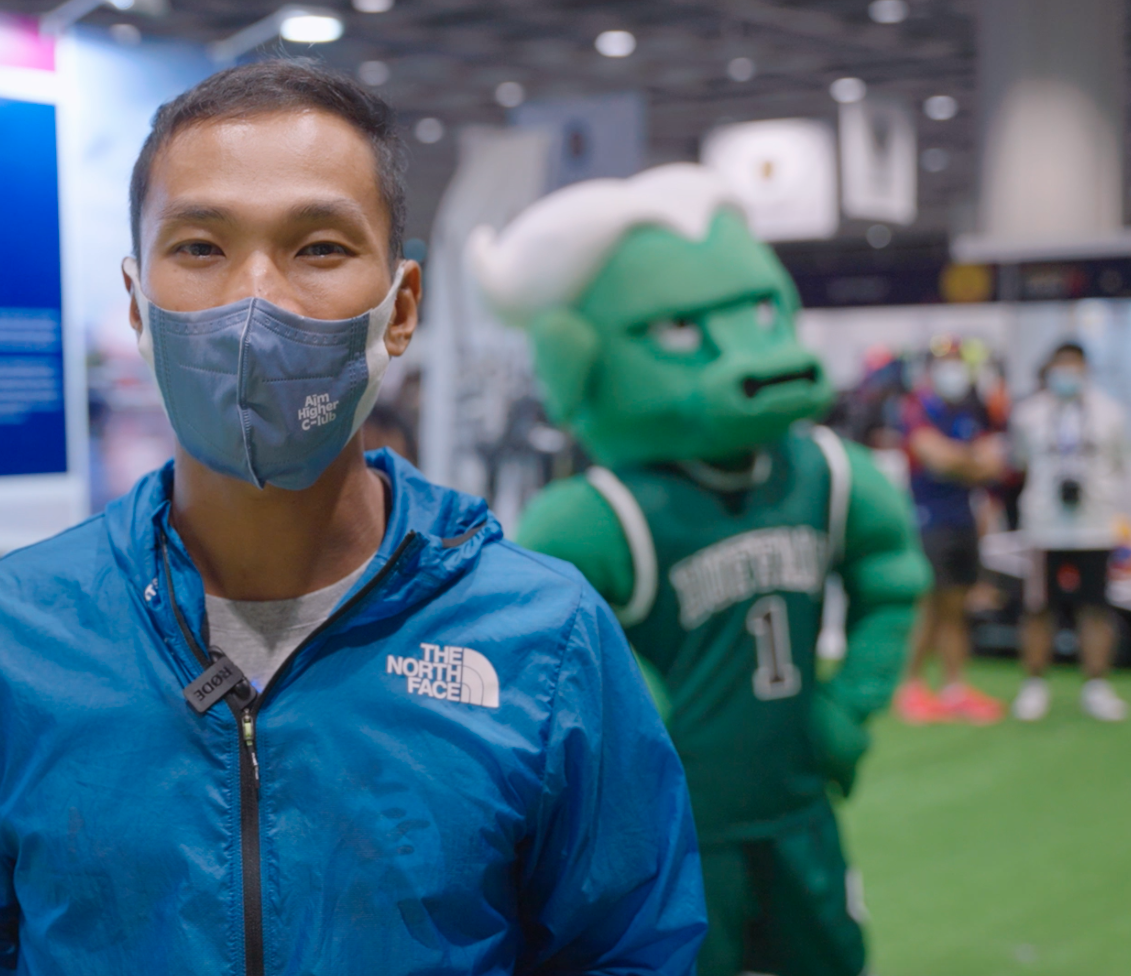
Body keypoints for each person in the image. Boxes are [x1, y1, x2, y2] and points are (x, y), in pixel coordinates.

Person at [0, 60, 706, 976]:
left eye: (317, 248)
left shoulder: (542, 639)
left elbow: (624, 952)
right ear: (137, 305)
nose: (256, 301)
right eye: (200, 248)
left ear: (400, 308)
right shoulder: (2, 636)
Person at [475, 164, 928, 976]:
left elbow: (892, 576)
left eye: (758, 311)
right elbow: (528, 636)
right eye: (682, 329)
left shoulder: (823, 472)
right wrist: (635, 719)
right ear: (575, 359)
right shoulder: (601, 513)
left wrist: (850, 705)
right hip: (676, 825)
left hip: (797, 805)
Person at [1009, 341, 1129, 722]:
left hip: (1095, 526)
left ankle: (1096, 685)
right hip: (1043, 526)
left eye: (1073, 366)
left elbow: (1120, 463)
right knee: (1037, 608)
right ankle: (1034, 685)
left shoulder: (1110, 412)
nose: (1067, 374)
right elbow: (1019, 462)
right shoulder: (1029, 414)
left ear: (1086, 369)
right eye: (1060, 366)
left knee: (1096, 607)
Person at [893, 339, 1007, 724]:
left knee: (956, 608)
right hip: (927, 521)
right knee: (928, 607)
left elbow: (993, 465)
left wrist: (961, 461)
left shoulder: (971, 408)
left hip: (963, 519)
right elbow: (935, 457)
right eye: (946, 362)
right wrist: (968, 460)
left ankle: (954, 688)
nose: (953, 369)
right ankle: (910, 688)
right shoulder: (917, 407)